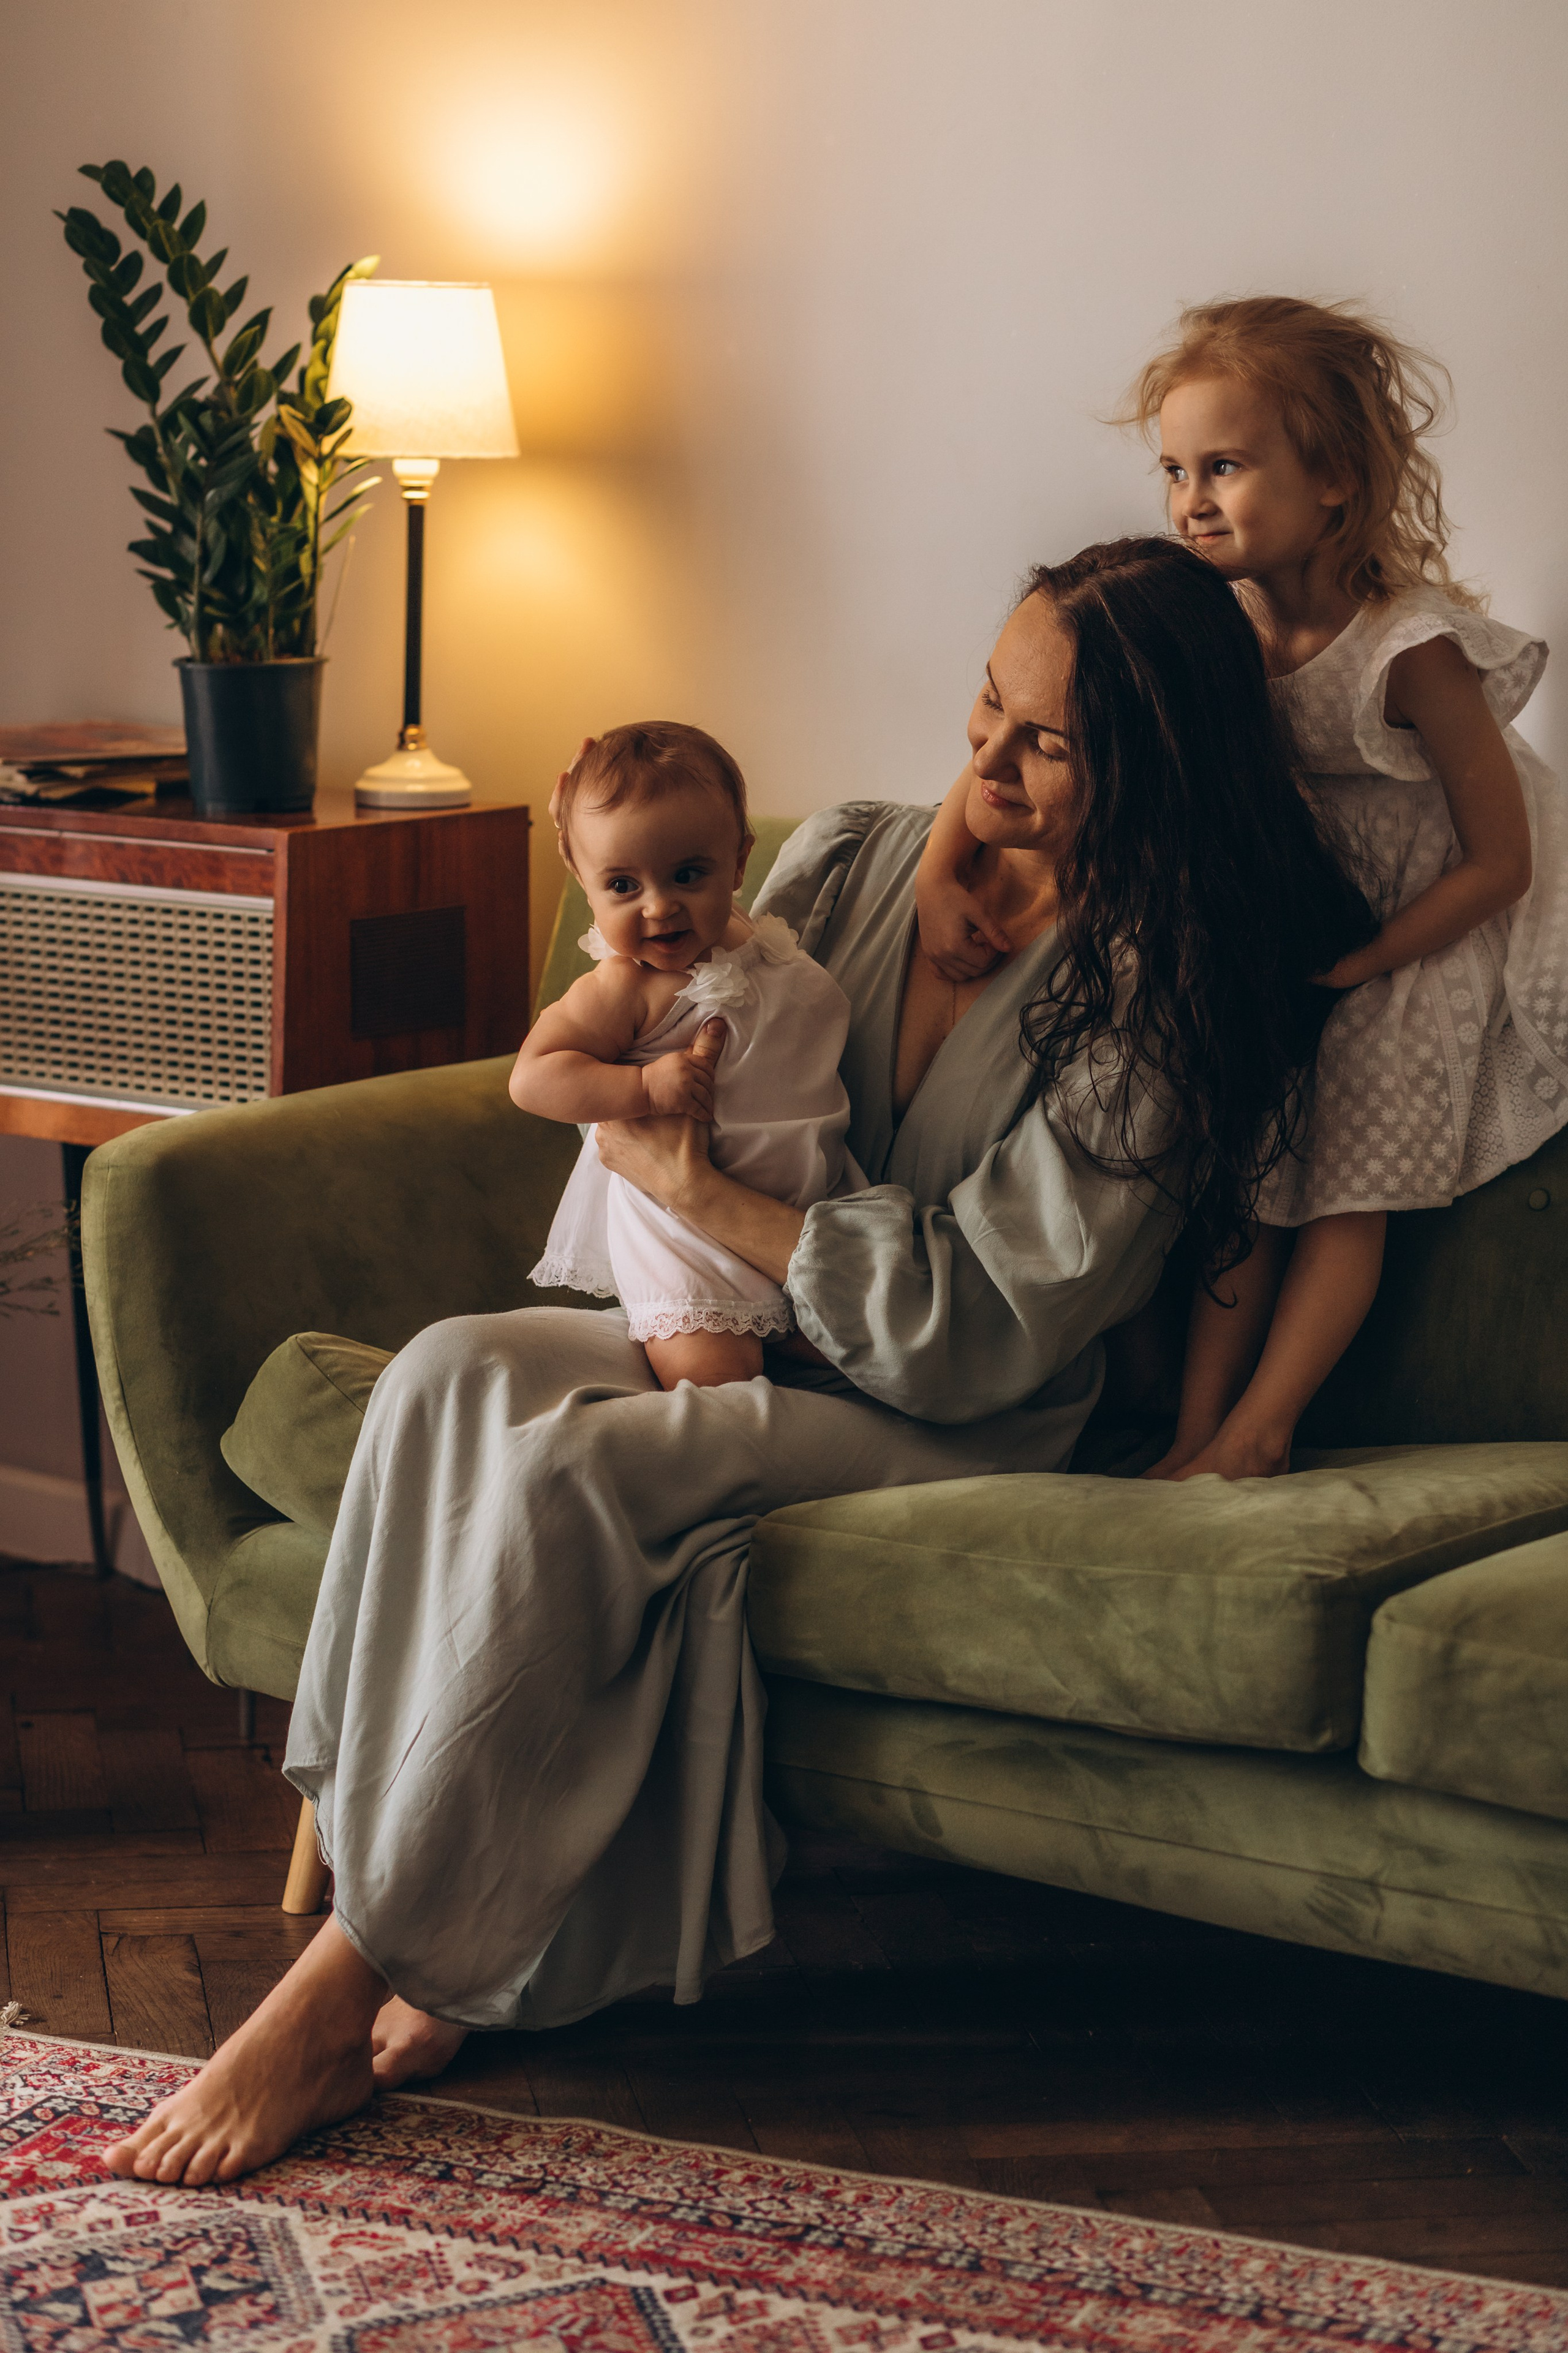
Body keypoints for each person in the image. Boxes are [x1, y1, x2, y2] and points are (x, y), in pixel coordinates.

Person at [102, 535, 1372, 2189]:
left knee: (588, 1461)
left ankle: (340, 1992)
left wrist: (698, 1187)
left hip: (962, 1410)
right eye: (989, 704)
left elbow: (983, 1321)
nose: (986, 760)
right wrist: (611, 1037)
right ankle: (413, 1903)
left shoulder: (1155, 992)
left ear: (1153, 763)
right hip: (760, 1339)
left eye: (1046, 743)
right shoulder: (853, 864)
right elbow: (666, 997)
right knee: (449, 1373)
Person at [921, 298, 1562, 1481]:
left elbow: (1501, 862)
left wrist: (1368, 966)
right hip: (1300, 914)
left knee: (1342, 1173)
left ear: (1333, 480)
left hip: (1432, 928)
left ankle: (1261, 1431)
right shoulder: (1209, 625)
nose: (1189, 500)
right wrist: (935, 866)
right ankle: (1192, 1430)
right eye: (1174, 468)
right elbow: (1026, 732)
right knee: (1248, 1149)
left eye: (1224, 466)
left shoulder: (1411, 651)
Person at [516, 721, 861, 1391]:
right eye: (621, 885)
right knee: (715, 1375)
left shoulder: (753, 940)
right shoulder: (627, 985)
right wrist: (643, 1087)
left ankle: (782, 1343)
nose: (660, 907)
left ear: (738, 862)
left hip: (798, 1204)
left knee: (868, 1350)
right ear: (582, 879)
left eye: (687, 874)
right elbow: (533, 1077)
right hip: (680, 1230)